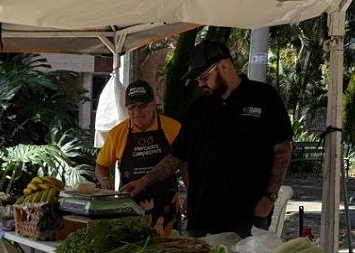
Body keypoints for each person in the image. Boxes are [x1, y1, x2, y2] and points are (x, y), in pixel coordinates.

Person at [120, 41, 293, 237]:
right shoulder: (199, 108)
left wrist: (269, 197)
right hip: (201, 217)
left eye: (204, 76)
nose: (200, 83)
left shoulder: (263, 97)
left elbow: (283, 149)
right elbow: (177, 156)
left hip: (247, 216)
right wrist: (144, 181)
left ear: (224, 66)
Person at [95, 80, 182, 234]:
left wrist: (191, 190)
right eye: (132, 108)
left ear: (153, 104)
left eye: (142, 107)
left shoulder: (173, 128)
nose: (137, 112)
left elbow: (185, 162)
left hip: (166, 205)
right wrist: (104, 180)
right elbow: (101, 166)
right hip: (131, 206)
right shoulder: (117, 133)